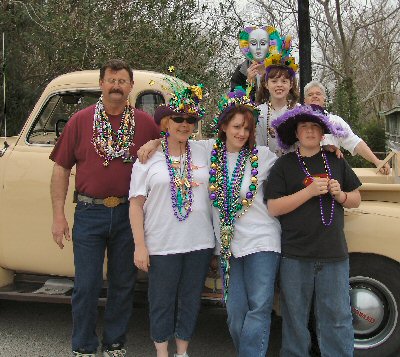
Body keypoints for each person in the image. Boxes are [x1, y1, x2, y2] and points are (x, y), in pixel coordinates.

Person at [50, 59, 160, 357]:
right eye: (111, 80)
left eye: (122, 81)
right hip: (89, 213)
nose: (116, 86)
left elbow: (173, 144)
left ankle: (114, 343)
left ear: (130, 86)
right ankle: (83, 346)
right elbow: (60, 169)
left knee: (123, 285)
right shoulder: (80, 121)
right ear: (101, 84)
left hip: (129, 215)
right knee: (86, 285)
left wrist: (157, 144)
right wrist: (59, 215)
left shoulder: (144, 123)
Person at [264, 105, 362, 357]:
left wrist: (340, 194)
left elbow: (356, 199)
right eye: (304, 127)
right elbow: (273, 207)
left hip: (333, 255)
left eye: (314, 127)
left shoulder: (336, 160)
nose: (309, 131)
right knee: (294, 320)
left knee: (337, 318)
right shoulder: (283, 165)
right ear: (296, 133)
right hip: (295, 255)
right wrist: (307, 192)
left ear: (322, 134)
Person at [129, 83, 214, 357]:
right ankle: (162, 352)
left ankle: (183, 352)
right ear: (166, 122)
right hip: (162, 244)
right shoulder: (148, 157)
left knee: (190, 300)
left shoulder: (204, 150)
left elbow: (239, 134)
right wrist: (140, 246)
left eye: (190, 119)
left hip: (198, 243)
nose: (184, 124)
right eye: (178, 118)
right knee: (161, 301)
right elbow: (135, 205)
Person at [209, 87, 281, 356]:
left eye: (248, 129)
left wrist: (329, 145)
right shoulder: (209, 154)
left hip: (263, 241)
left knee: (259, 307)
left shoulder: (263, 157)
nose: (242, 133)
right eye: (237, 126)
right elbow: (177, 142)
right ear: (224, 125)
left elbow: (293, 166)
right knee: (235, 313)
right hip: (230, 246)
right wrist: (154, 142)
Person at [304, 80, 390, 174]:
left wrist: (377, 161)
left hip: (331, 177)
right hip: (303, 174)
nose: (314, 96)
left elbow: (355, 143)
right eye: (310, 94)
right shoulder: (296, 122)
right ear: (305, 100)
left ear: (324, 98)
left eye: (318, 93)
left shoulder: (335, 121)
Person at [254, 27, 300, 154]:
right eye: (274, 81)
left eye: (284, 81)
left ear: (291, 84)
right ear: (266, 84)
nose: (279, 85)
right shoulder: (259, 112)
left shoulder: (299, 111)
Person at [231, 26, 270, 97]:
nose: (258, 48)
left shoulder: (278, 69)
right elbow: (235, 101)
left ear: (269, 46)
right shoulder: (241, 71)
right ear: (247, 46)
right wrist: (249, 84)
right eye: (253, 43)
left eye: (263, 43)